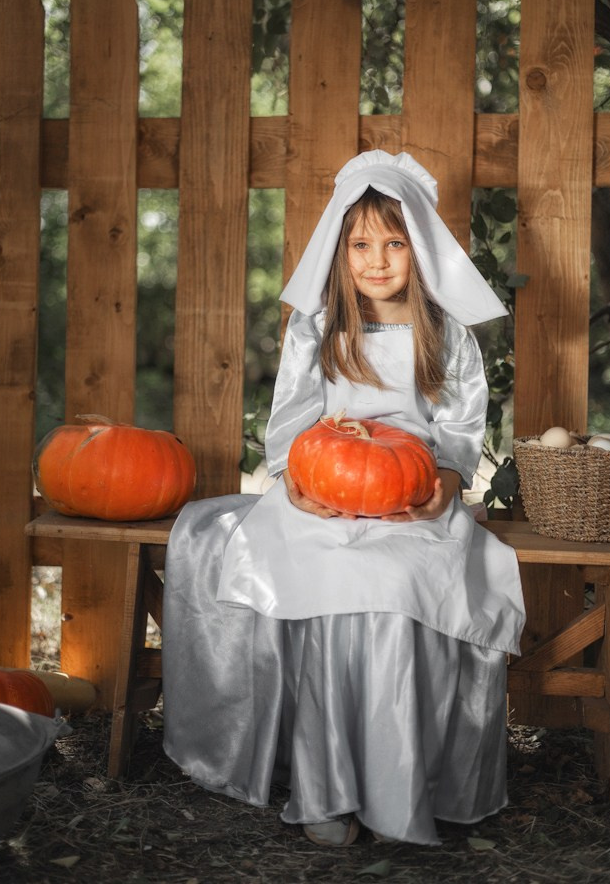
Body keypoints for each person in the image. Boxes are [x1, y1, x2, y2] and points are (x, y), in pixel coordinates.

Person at [162, 150, 525, 848]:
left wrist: (443, 484)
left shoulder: (446, 336)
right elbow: (291, 429)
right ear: (340, 249)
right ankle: (328, 790)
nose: (378, 260)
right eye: (361, 244)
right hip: (321, 500)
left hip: (415, 505)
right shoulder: (320, 328)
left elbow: (455, 439)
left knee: (393, 587)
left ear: (420, 249)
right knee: (327, 584)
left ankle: (396, 792)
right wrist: (299, 484)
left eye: (394, 243)